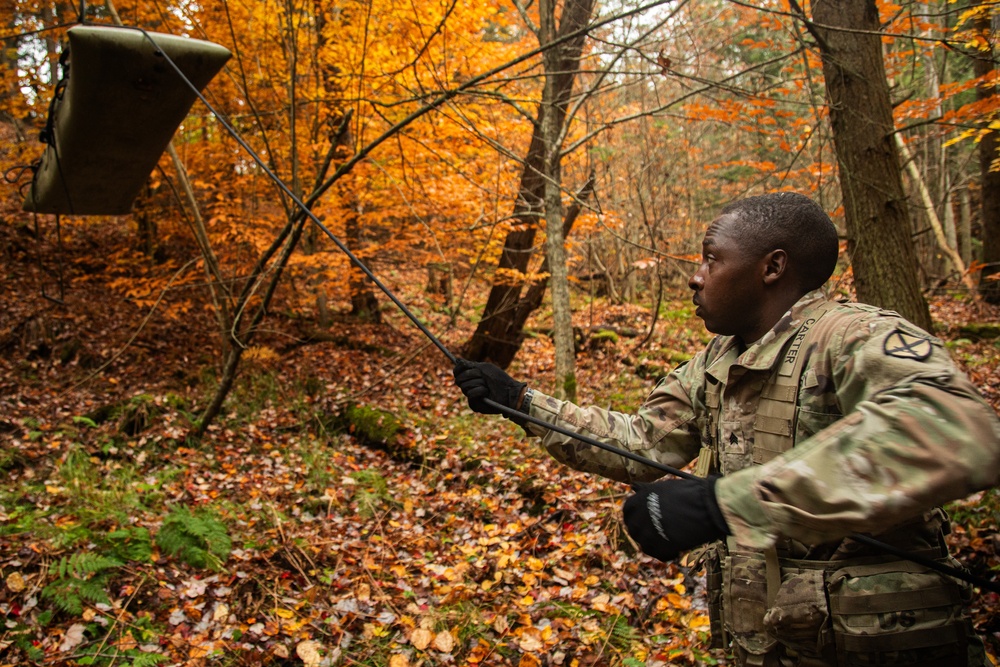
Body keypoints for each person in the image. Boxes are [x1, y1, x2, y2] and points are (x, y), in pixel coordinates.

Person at [454, 192, 1000, 667]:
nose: (695, 276)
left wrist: (727, 504)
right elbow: (642, 444)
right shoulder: (719, 360)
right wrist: (521, 402)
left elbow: (953, 425)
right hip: (772, 643)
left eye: (712, 259)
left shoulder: (855, 336)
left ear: (772, 267)